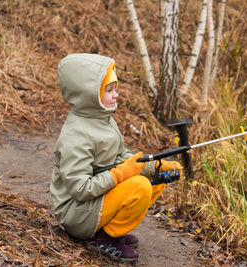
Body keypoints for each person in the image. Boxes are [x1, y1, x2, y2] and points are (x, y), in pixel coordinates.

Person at [50, 53, 182, 262]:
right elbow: (80, 189)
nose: (116, 95)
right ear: (88, 94)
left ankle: (110, 228)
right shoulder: (76, 136)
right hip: (76, 213)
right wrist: (121, 173)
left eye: (115, 89)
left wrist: (156, 166)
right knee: (140, 186)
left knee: (154, 181)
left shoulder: (103, 120)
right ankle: (103, 237)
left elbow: (121, 156)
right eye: (109, 90)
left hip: (93, 203)